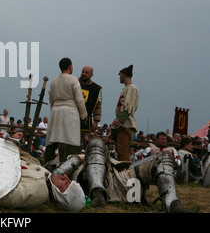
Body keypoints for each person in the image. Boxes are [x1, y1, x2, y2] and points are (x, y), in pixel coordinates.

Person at [45, 137, 187, 213]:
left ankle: (171, 201)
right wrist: (80, 157)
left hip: (128, 176)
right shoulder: (59, 175)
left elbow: (55, 174)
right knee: (95, 142)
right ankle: (98, 193)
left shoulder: (61, 168)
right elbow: (55, 176)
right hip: (105, 182)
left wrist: (79, 157)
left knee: (163, 154)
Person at [45, 58, 87, 163]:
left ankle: (47, 163)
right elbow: (79, 99)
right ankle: (68, 166)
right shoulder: (73, 80)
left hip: (56, 112)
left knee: (53, 140)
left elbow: (51, 100)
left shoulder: (53, 81)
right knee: (71, 140)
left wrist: (54, 111)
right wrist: (83, 115)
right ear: (70, 66)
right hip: (70, 112)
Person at [111, 65, 139, 161]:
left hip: (126, 123)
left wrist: (120, 119)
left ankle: (126, 172)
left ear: (124, 75)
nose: (119, 77)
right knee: (119, 150)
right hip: (123, 123)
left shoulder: (131, 88)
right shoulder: (127, 88)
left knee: (122, 150)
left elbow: (128, 106)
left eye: (120, 75)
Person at [78, 66, 102, 148]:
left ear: (91, 75)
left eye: (86, 72)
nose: (83, 74)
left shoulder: (96, 89)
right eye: (82, 72)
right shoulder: (74, 83)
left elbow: (98, 106)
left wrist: (96, 122)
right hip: (71, 118)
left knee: (82, 145)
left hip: (86, 122)